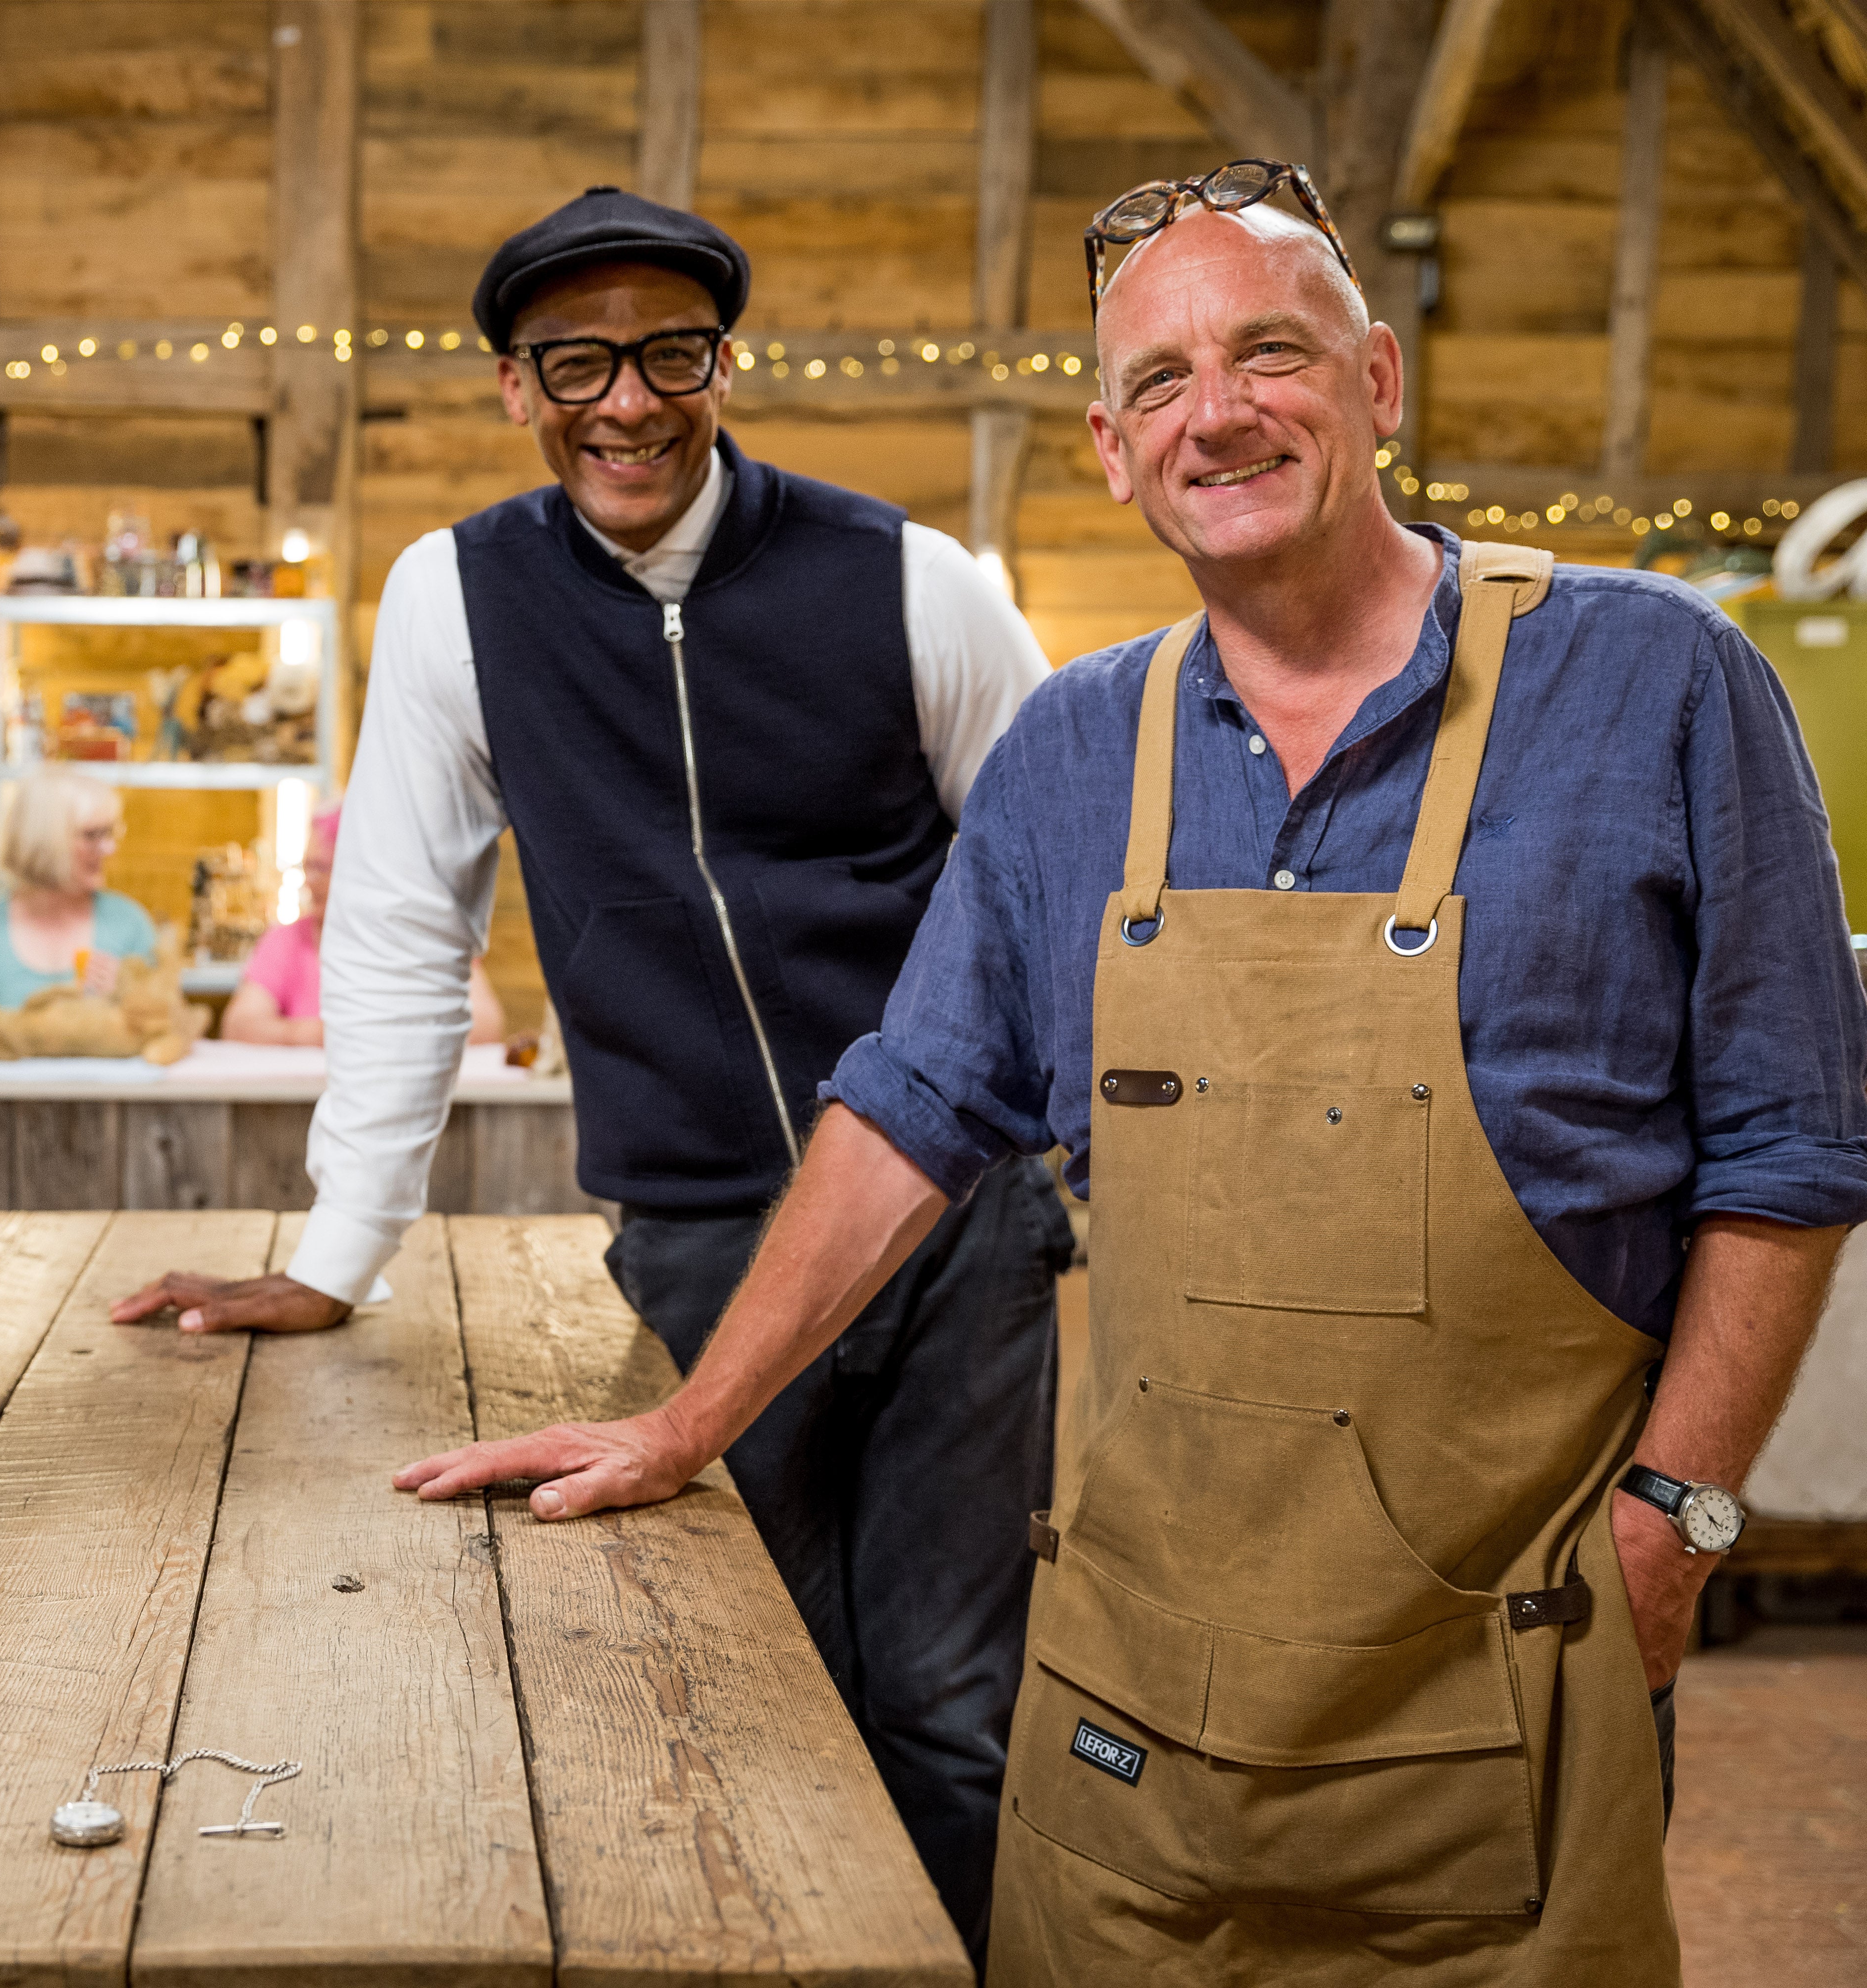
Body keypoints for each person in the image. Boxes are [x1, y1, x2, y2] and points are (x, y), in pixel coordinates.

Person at [395, 163, 1867, 1985]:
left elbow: (1789, 1152)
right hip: (1137, 1714)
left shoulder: (1656, 686)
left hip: (1508, 1690)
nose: (1218, 412)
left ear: (1378, 381)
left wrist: (1679, 1521)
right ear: (1108, 446)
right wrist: (683, 1419)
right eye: (1159, 381)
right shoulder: (1072, 754)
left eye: (1269, 352)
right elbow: (908, 1110)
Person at [112, 186, 1067, 1958]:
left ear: (722, 364)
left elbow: (1060, 890)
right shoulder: (455, 599)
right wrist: (337, 1253)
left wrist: (1090, 1191)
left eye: (665, 354)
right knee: (759, 1673)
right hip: (701, 1231)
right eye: (575, 362)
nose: (622, 402)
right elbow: (402, 927)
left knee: (946, 1693)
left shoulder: (913, 581)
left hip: (960, 1227)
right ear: (511, 384)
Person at [219, 806, 506, 1046]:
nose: (309, 881)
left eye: (321, 869)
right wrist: (335, 1035)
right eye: (307, 867)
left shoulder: (425, 934)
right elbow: (239, 1026)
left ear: (357, 869)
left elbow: (486, 1023)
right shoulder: (287, 939)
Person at [0, 764, 157, 1010]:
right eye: (92, 835)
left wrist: (131, 997)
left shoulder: (129, 924)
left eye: (110, 833)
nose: (109, 849)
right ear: (43, 842)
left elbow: (165, 1030)